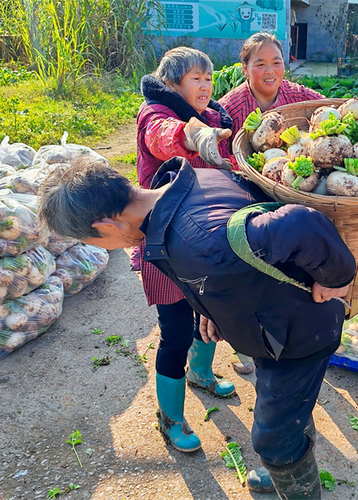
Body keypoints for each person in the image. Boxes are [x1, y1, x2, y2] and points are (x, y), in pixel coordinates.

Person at [38, 156, 356, 499]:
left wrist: (336, 278)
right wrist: (213, 304)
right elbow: (239, 256)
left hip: (300, 336)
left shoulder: (198, 238)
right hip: (271, 326)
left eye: (90, 241)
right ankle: (285, 463)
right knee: (284, 406)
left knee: (273, 438)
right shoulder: (188, 184)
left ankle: (287, 466)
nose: (97, 247)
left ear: (104, 226)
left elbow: (300, 224)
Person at [129, 47, 238, 453]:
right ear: (173, 83)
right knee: (174, 333)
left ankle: (202, 373)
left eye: (209, 78)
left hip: (206, 242)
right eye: (196, 78)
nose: (206, 85)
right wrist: (194, 136)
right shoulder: (155, 115)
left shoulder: (217, 118)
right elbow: (167, 137)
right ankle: (170, 418)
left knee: (212, 313)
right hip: (166, 248)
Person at [219, 31, 324, 375]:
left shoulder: (296, 96)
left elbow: (328, 112)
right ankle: (243, 345)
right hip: (244, 197)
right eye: (260, 63)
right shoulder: (230, 107)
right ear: (245, 68)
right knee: (245, 273)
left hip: (289, 196)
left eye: (276, 62)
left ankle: (283, 336)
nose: (270, 70)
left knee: (282, 271)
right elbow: (217, 158)